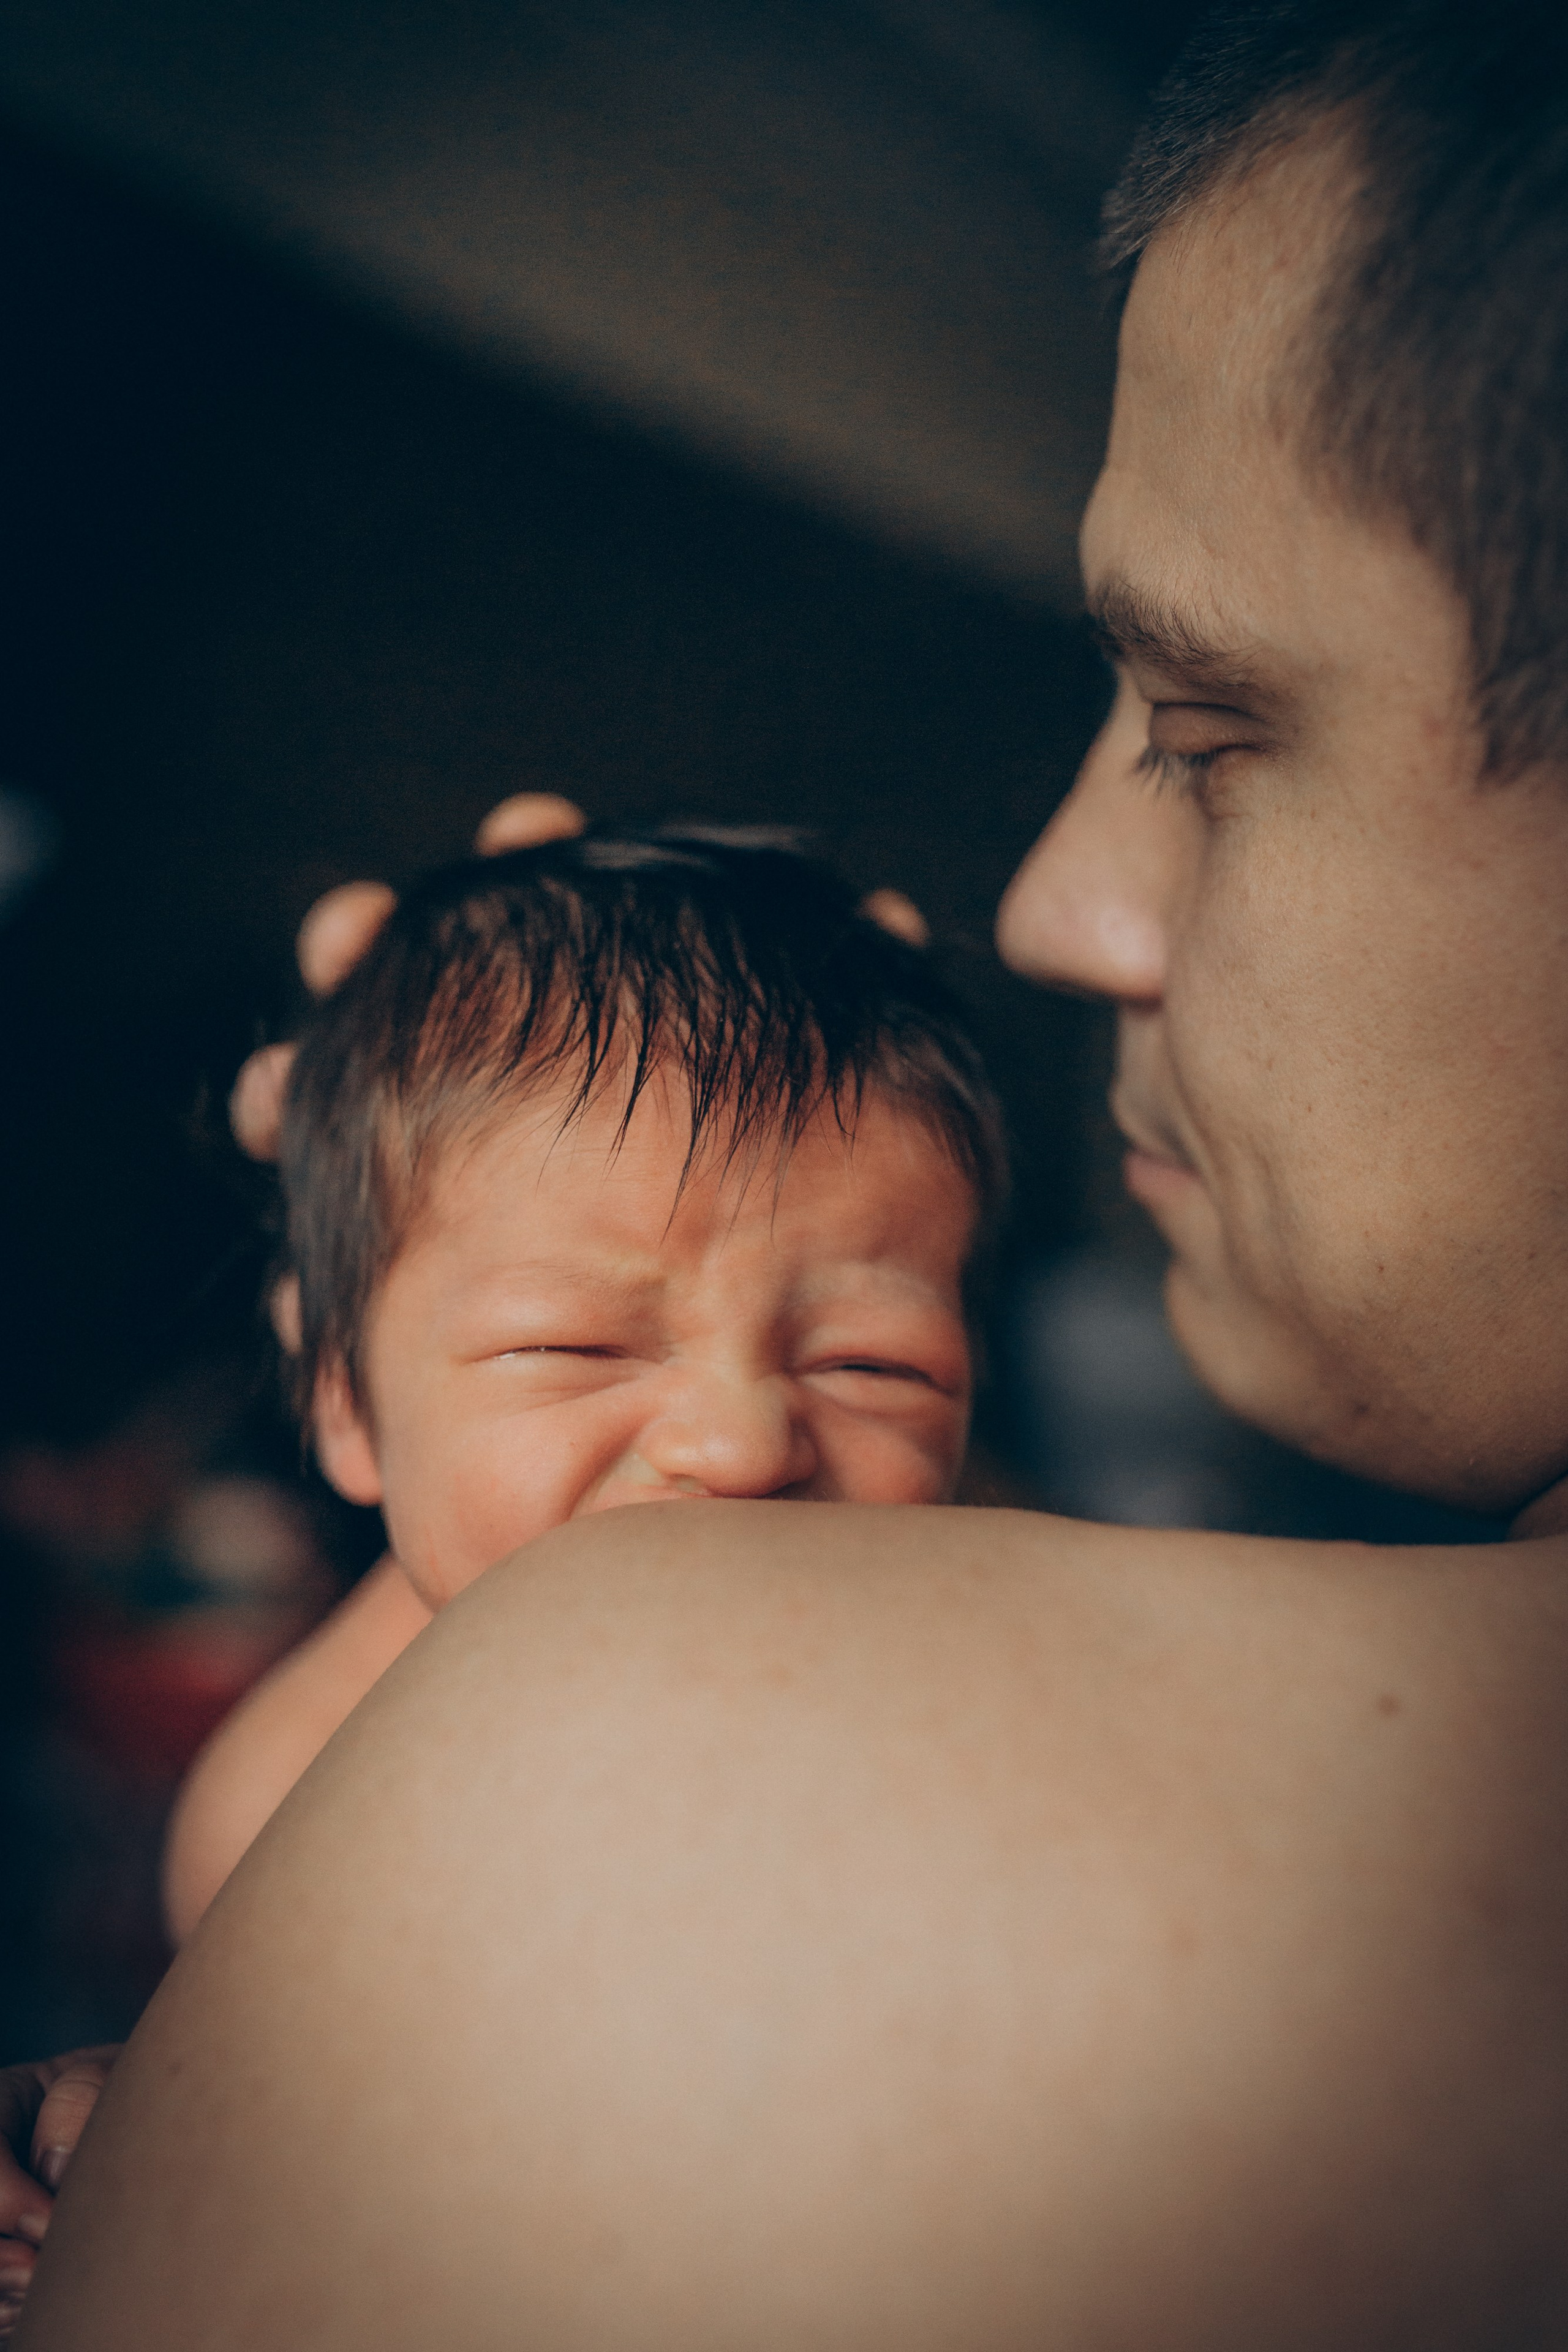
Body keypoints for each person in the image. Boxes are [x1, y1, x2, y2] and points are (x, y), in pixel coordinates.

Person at [18, 0, 1568, 2340]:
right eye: (572, 1333)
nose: (1052, 913)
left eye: (1221, 731)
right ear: (337, 1399)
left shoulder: (650, 1738)